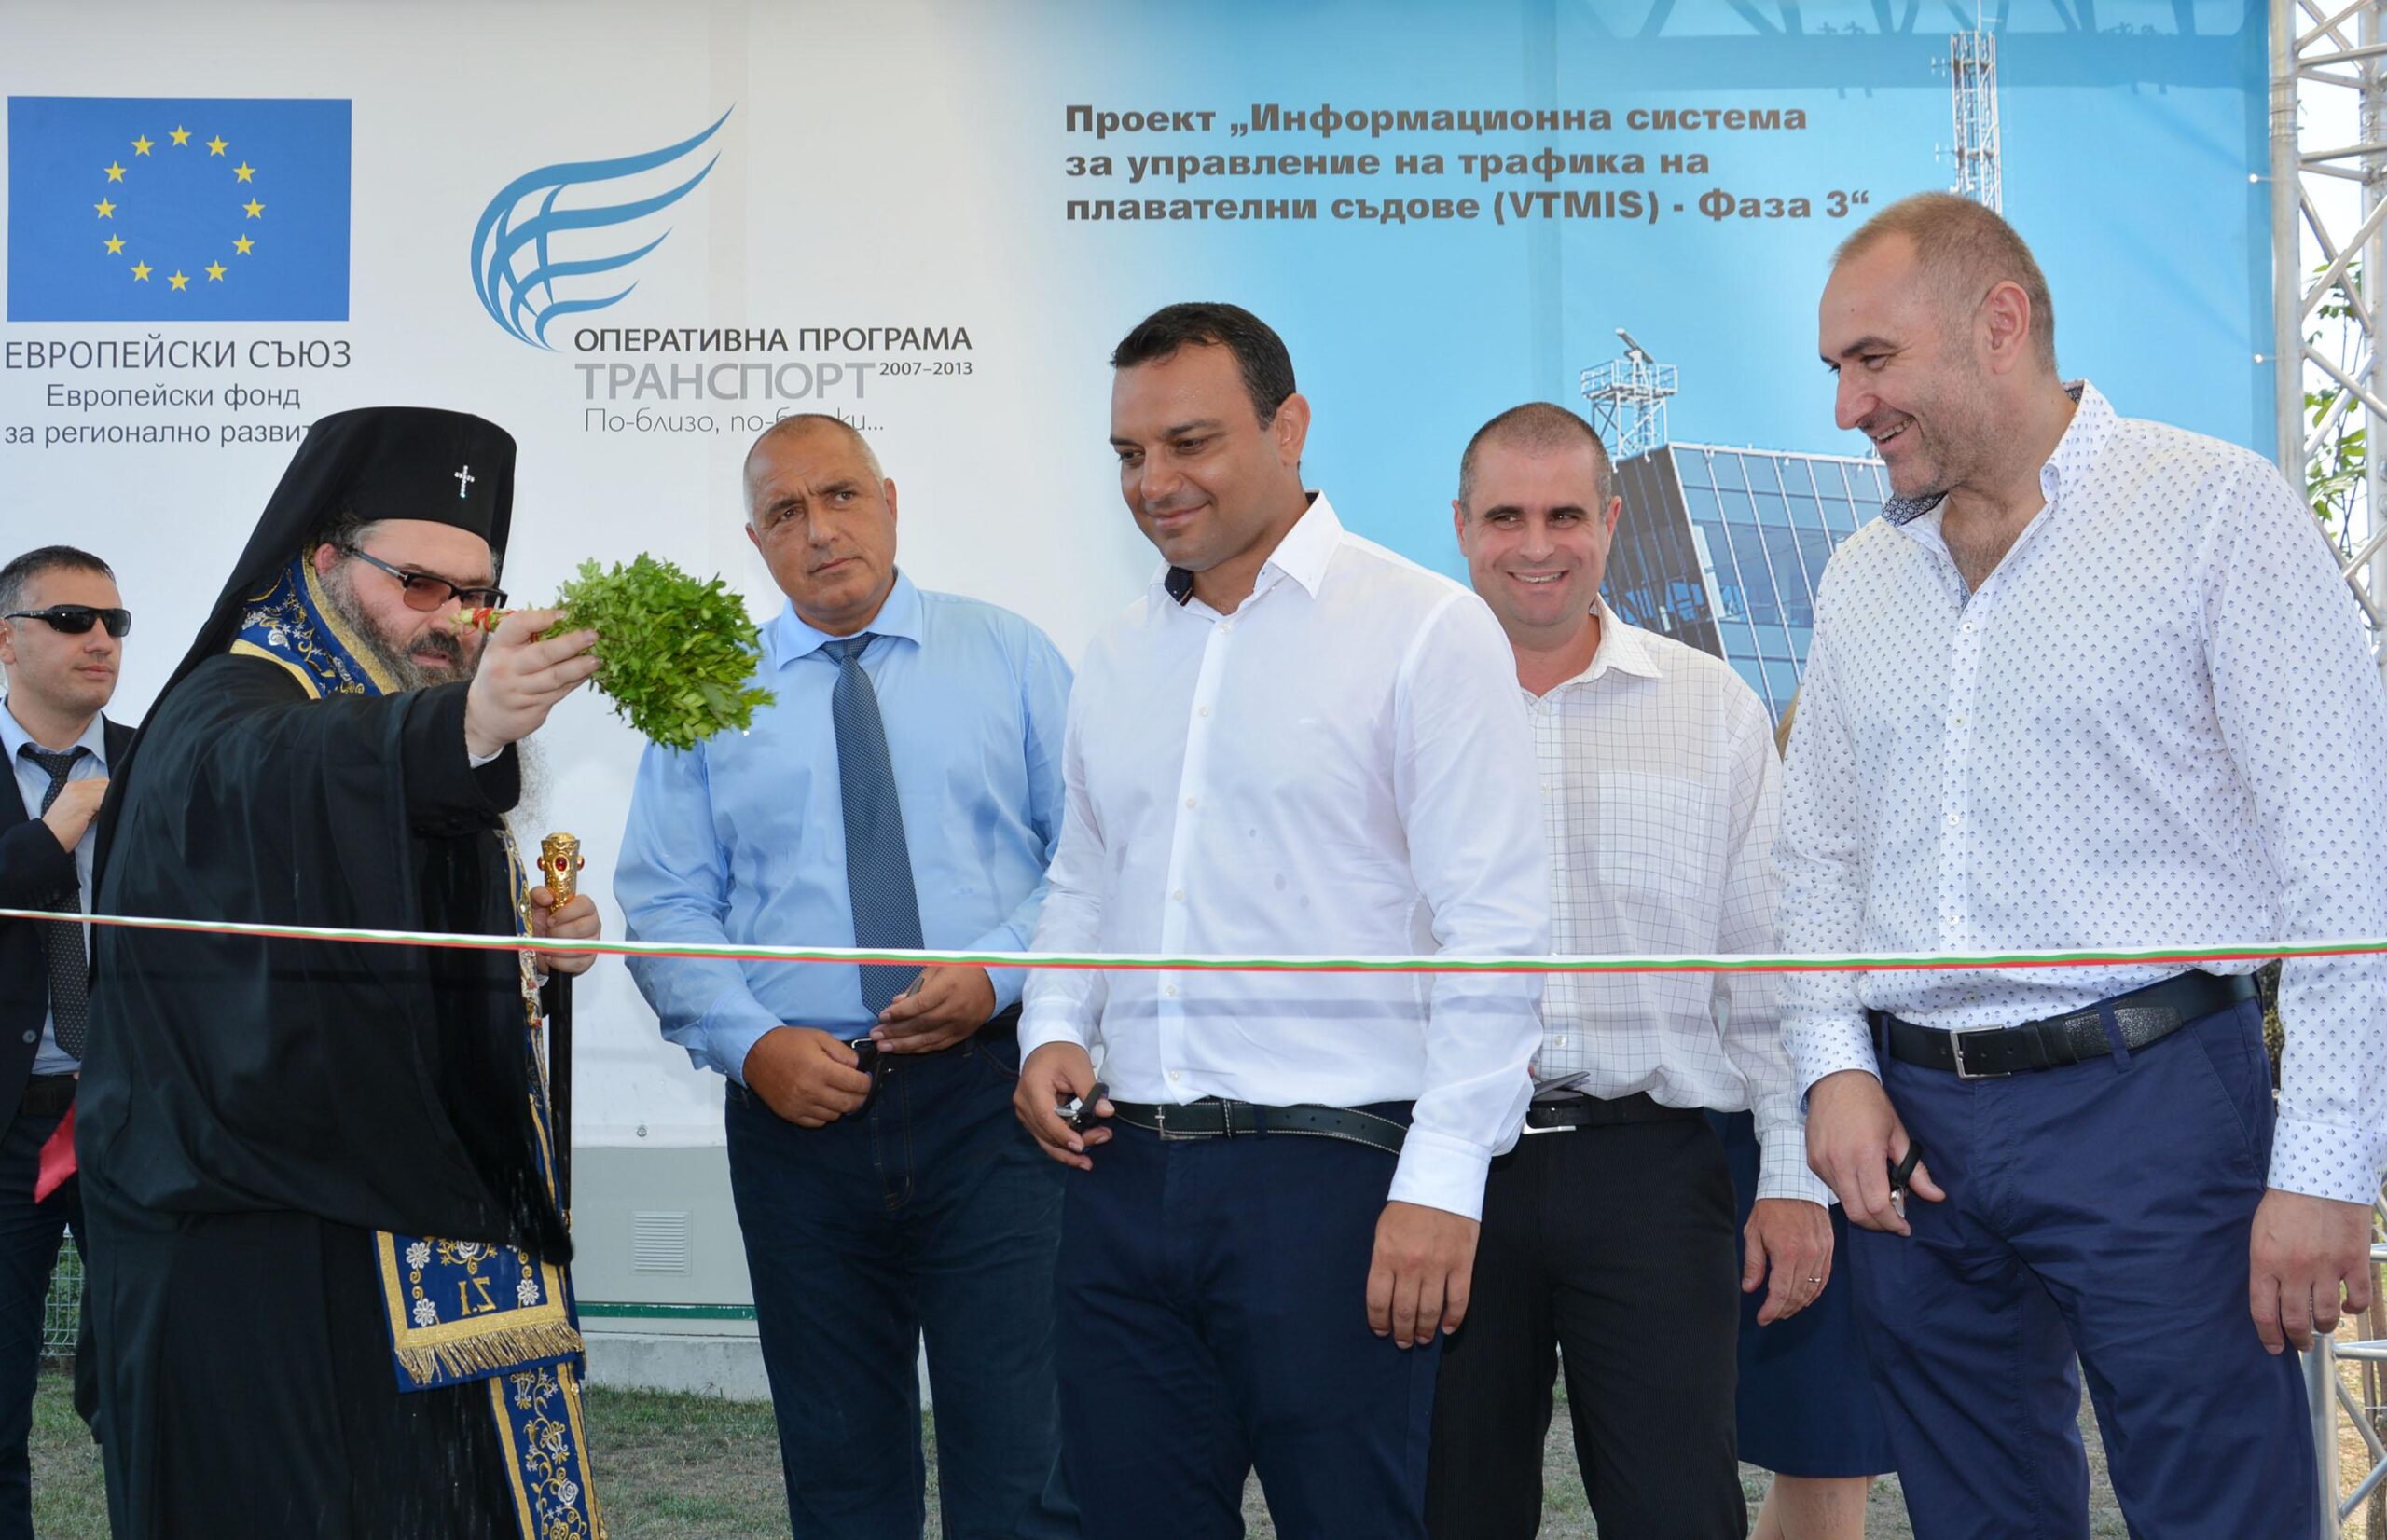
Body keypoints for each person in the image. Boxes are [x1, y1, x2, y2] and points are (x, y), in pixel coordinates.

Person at [1785, 192, 2387, 1537]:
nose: (1847, 406)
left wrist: (2326, 1166)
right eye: (1835, 368)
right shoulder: (1860, 578)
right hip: (1914, 1140)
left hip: (2155, 1109)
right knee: (1974, 1518)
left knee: (2222, 1513)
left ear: (2000, 323)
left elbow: (2346, 862)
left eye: (1873, 360)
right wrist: (1833, 1067)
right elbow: (1814, 852)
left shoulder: (2214, 511)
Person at [1013, 302, 1550, 1540]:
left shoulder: (1424, 629)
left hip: (1338, 1185)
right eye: (1129, 453)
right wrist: (1051, 1027)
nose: (1154, 481)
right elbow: (1084, 879)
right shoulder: (1118, 652)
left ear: (1289, 425)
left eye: (1189, 442)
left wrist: (1443, 1182)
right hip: (1119, 1175)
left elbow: (1493, 927)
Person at [79, 407, 606, 1540]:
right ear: (325, 559)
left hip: (382, 1202)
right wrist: (462, 728)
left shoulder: (380, 705)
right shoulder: (235, 703)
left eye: (477, 593)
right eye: (418, 583)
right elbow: (285, 774)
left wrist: (519, 952)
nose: (451, 618)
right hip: (254, 1244)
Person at [616, 413, 1077, 1539]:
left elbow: (1092, 861)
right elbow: (664, 901)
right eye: (785, 512)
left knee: (1022, 1458)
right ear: (755, 541)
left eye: (841, 496)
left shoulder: (1010, 655)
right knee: (838, 1469)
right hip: (799, 1106)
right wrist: (752, 1043)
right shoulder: (706, 692)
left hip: (994, 1097)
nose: (819, 530)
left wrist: (998, 974)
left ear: (890, 500)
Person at [1423, 404, 1834, 1540]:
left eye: (1564, 514)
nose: (1535, 544)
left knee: (1678, 1512)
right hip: (1445, 1170)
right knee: (1449, 1510)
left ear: (1610, 521)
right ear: (1460, 526)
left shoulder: (1712, 709)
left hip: (1649, 1174)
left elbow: (1766, 971)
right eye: (1504, 516)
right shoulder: (1393, 703)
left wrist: (1791, 1175)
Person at [0, 545, 131, 1538]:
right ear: (6, 639)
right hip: (8, 1130)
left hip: (138, 1119)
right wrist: (57, 831)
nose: (100, 640)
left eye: (114, 623)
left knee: (153, 1389)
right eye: (71, 619)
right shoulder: (90, 790)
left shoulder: (161, 760)